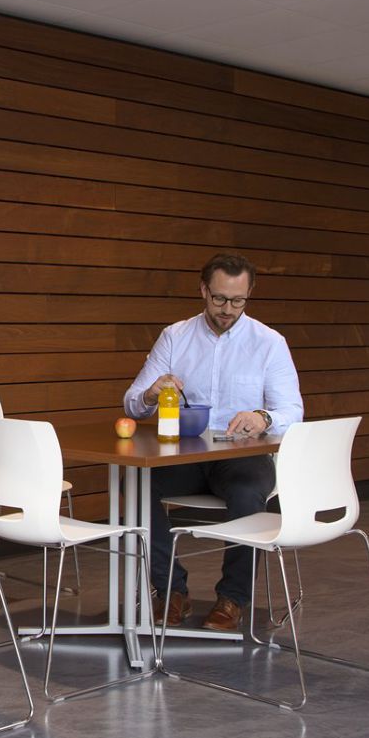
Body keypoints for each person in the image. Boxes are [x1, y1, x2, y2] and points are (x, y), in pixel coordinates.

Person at [123, 253, 303, 632]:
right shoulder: (176, 337)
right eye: (220, 298)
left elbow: (293, 411)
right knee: (137, 483)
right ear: (203, 290)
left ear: (249, 294)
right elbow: (133, 404)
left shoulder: (269, 343)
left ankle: (233, 598)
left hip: (243, 456)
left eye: (238, 301)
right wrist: (152, 393)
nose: (228, 309)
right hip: (185, 455)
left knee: (247, 492)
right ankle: (170, 589)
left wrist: (264, 417)